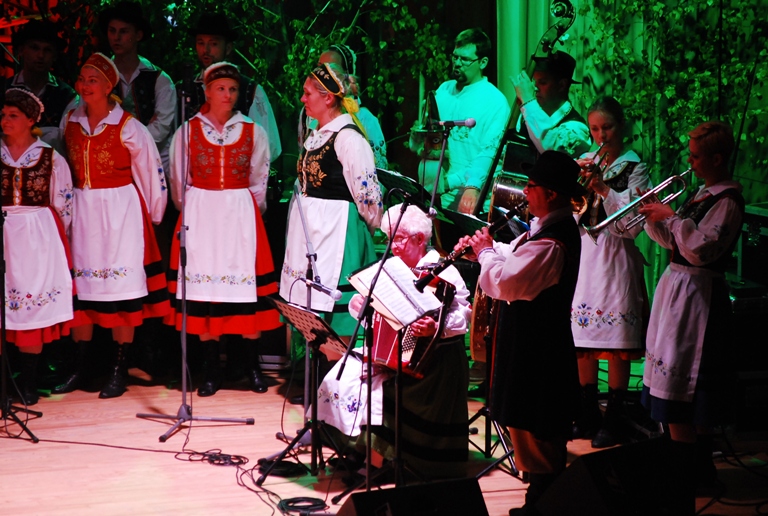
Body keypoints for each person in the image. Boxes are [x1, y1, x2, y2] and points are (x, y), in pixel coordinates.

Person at [455, 150, 584, 515]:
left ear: (552, 194)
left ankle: (544, 505)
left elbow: (507, 283)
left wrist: (484, 253)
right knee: (526, 424)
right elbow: (512, 254)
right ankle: (537, 503)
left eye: (531, 185)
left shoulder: (554, 241)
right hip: (529, 347)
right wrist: (483, 251)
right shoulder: (543, 229)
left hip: (540, 352)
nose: (525, 192)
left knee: (538, 428)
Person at [316, 203, 472, 479]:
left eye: (398, 239)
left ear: (419, 239)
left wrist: (436, 328)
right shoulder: (389, 268)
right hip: (390, 355)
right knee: (342, 375)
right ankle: (355, 448)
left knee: (381, 390)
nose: (392, 246)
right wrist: (361, 304)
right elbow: (374, 315)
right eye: (389, 238)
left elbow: (463, 318)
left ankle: (379, 463)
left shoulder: (444, 272)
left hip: (433, 362)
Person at [638, 121, 744, 502]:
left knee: (686, 397)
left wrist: (670, 217)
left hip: (699, 299)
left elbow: (701, 249)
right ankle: (692, 471)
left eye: (696, 156)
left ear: (717, 159)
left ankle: (688, 475)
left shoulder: (727, 201)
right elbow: (675, 242)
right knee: (677, 392)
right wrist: (652, 217)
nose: (690, 161)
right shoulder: (702, 193)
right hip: (679, 291)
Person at [53, 53, 169, 399]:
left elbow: (150, 172)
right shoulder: (70, 120)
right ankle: (81, 366)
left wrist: (153, 215)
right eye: (82, 79)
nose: (84, 86)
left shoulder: (129, 126)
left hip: (120, 213)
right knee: (84, 291)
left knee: (121, 292)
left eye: (93, 80)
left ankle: (119, 368)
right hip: (83, 213)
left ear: (108, 86)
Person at [166, 62, 279, 396]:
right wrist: (194, 209)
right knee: (206, 292)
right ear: (207, 92)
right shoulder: (187, 131)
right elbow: (179, 181)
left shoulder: (253, 131)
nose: (227, 95)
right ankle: (211, 369)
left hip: (239, 215)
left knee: (245, 291)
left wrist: (246, 210)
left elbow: (259, 179)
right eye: (220, 89)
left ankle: (251, 365)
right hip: (202, 214)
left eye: (232, 89)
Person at [570, 96, 652, 448]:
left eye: (607, 128)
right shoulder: (587, 161)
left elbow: (632, 225)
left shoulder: (636, 168)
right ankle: (587, 412)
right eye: (595, 129)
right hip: (585, 257)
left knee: (617, 343)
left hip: (616, 259)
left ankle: (615, 416)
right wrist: (574, 183)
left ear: (622, 126)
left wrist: (603, 187)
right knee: (582, 342)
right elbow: (573, 214)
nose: (601, 136)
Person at [279, 63, 382, 339]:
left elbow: (369, 197)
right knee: (312, 320)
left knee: (339, 322)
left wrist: (365, 231)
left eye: (308, 93)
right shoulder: (316, 135)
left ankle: (339, 365)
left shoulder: (348, 138)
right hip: (311, 234)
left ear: (327, 98)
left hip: (338, 234)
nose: (303, 99)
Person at [1, 88, 80, 405]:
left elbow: (64, 204)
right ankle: (5, 383)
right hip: (3, 231)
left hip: (36, 236)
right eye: (3, 115)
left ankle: (28, 383)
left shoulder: (50, 157)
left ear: (31, 120)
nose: (5, 120)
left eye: (13, 115)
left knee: (32, 307)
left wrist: (56, 240)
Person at [410, 27, 510, 214]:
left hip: (472, 201)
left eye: (464, 59)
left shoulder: (495, 101)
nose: (457, 63)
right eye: (455, 57)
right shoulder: (444, 91)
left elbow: (491, 152)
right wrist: (418, 136)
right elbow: (427, 144)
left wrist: (464, 184)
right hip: (437, 200)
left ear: (483, 62)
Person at [179, 12, 281, 163]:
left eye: (213, 44)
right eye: (200, 43)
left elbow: (269, 147)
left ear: (227, 48)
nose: (206, 50)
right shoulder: (182, 90)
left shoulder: (250, 91)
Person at [99, 1, 176, 172]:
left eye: (123, 31)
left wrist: (126, 146)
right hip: (109, 166)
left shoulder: (159, 79)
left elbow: (161, 128)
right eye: (112, 31)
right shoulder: (99, 77)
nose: (116, 37)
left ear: (138, 35)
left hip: (151, 167)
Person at [299, 43, 387, 169]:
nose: (321, 74)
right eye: (320, 67)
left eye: (330, 68)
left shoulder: (365, 119)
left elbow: (378, 170)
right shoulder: (310, 115)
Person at [3, 20, 77, 152]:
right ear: (21, 50)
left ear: (54, 56)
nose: (41, 55)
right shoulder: (4, 91)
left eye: (47, 50)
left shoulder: (67, 96)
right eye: (34, 48)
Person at [511, 51, 590, 160]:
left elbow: (552, 150)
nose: (535, 88)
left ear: (562, 85)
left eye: (542, 82)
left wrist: (528, 102)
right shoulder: (526, 116)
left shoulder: (577, 128)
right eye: (533, 82)